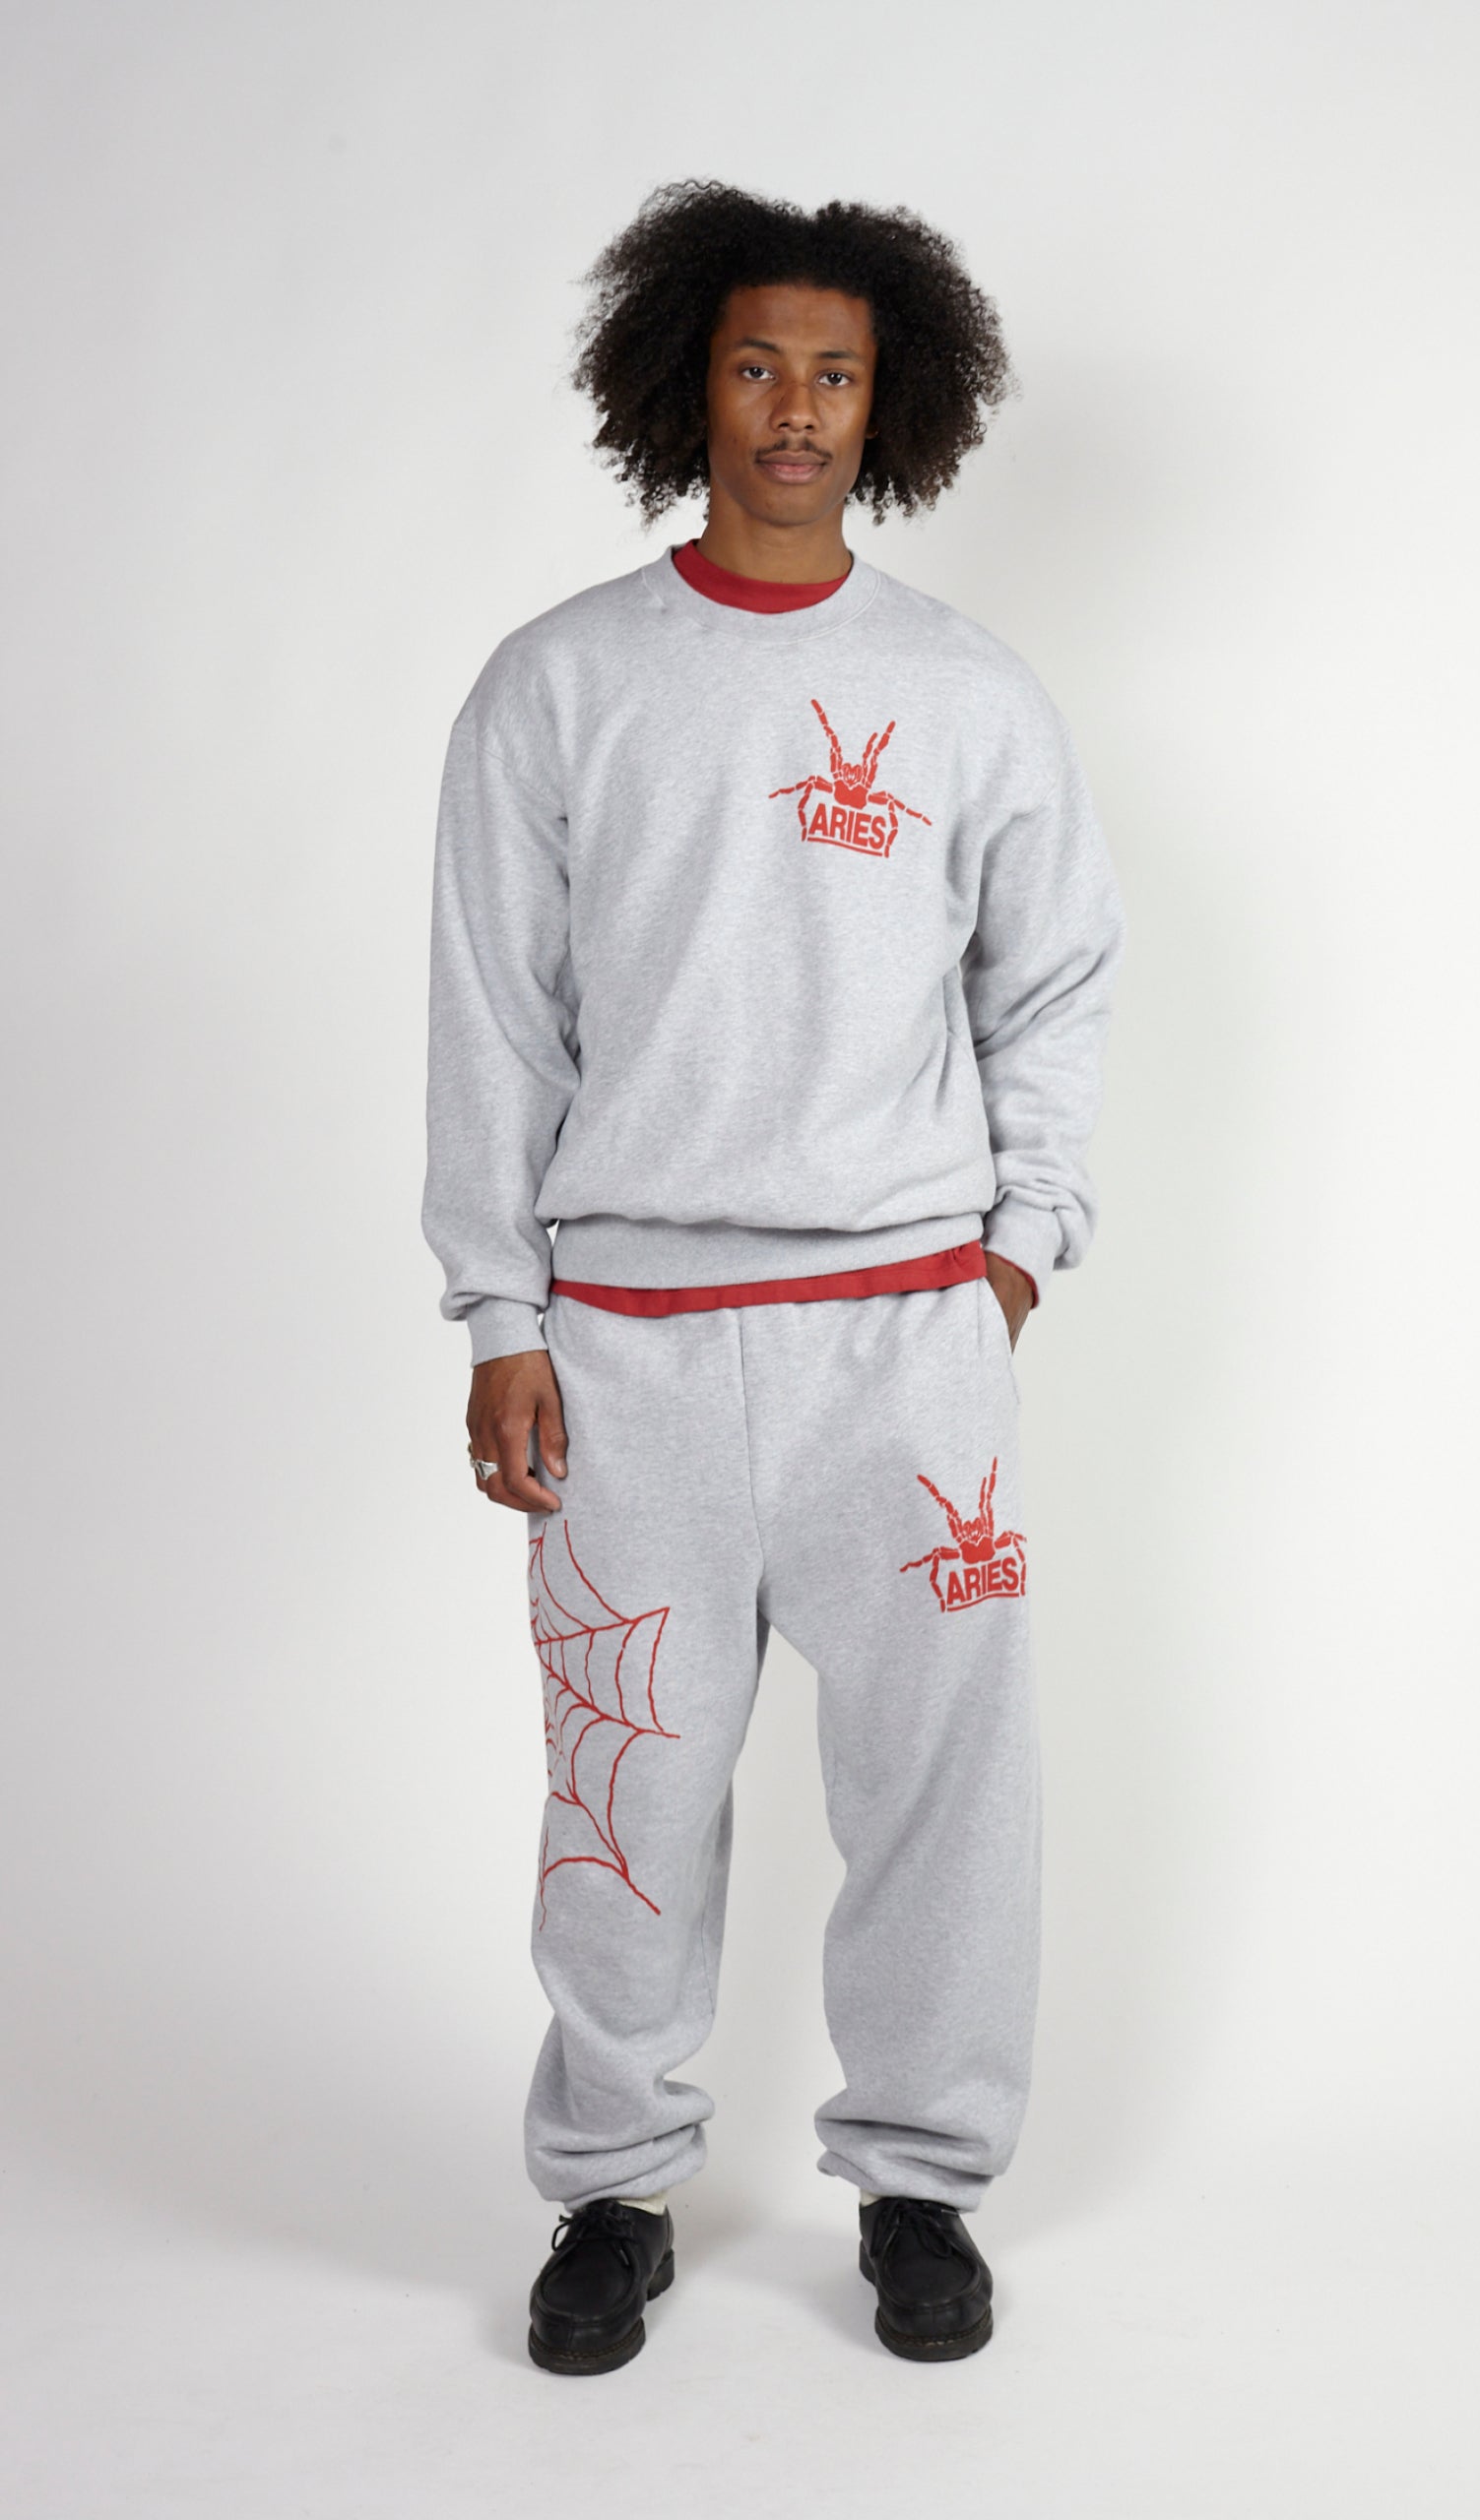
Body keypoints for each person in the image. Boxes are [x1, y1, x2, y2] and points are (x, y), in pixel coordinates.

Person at [422, 178, 1126, 2374]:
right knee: (623, 1785)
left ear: (887, 404)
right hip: (627, 1343)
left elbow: (1054, 983)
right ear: (686, 385)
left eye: (834, 373)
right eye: (756, 365)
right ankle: (610, 2185)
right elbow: (493, 1017)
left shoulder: (963, 693)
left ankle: (921, 2180)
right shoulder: (557, 685)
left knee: (942, 1783)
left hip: (903, 1333)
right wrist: (500, 1313)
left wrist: (1014, 1252)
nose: (795, 408)